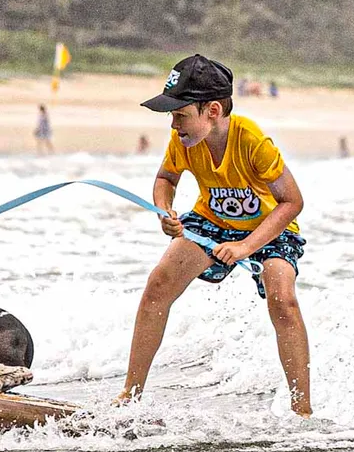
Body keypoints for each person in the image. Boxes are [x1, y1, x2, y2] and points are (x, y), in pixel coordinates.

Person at [114, 54, 312, 416]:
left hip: (267, 227)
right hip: (213, 220)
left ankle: (302, 412)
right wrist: (165, 211)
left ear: (214, 111)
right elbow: (166, 179)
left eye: (180, 115)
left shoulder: (252, 141)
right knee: (158, 284)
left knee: (282, 299)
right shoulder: (185, 139)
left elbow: (292, 202)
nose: (174, 125)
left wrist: (245, 247)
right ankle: (130, 395)